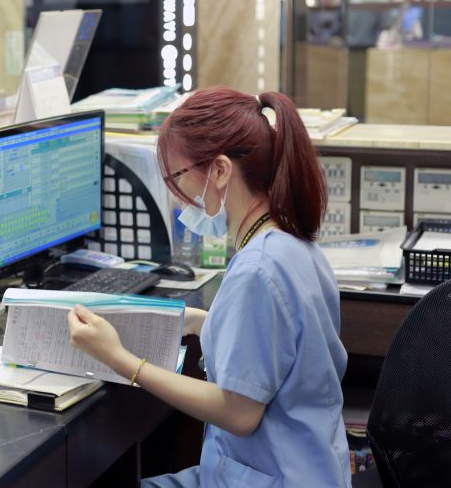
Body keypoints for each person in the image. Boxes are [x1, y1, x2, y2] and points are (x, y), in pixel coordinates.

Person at [67, 87, 351, 487]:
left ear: (219, 171)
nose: (176, 198)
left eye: (178, 178)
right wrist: (202, 321)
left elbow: (239, 413)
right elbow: (280, 347)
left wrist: (119, 359)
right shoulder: (290, 242)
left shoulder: (257, 269)